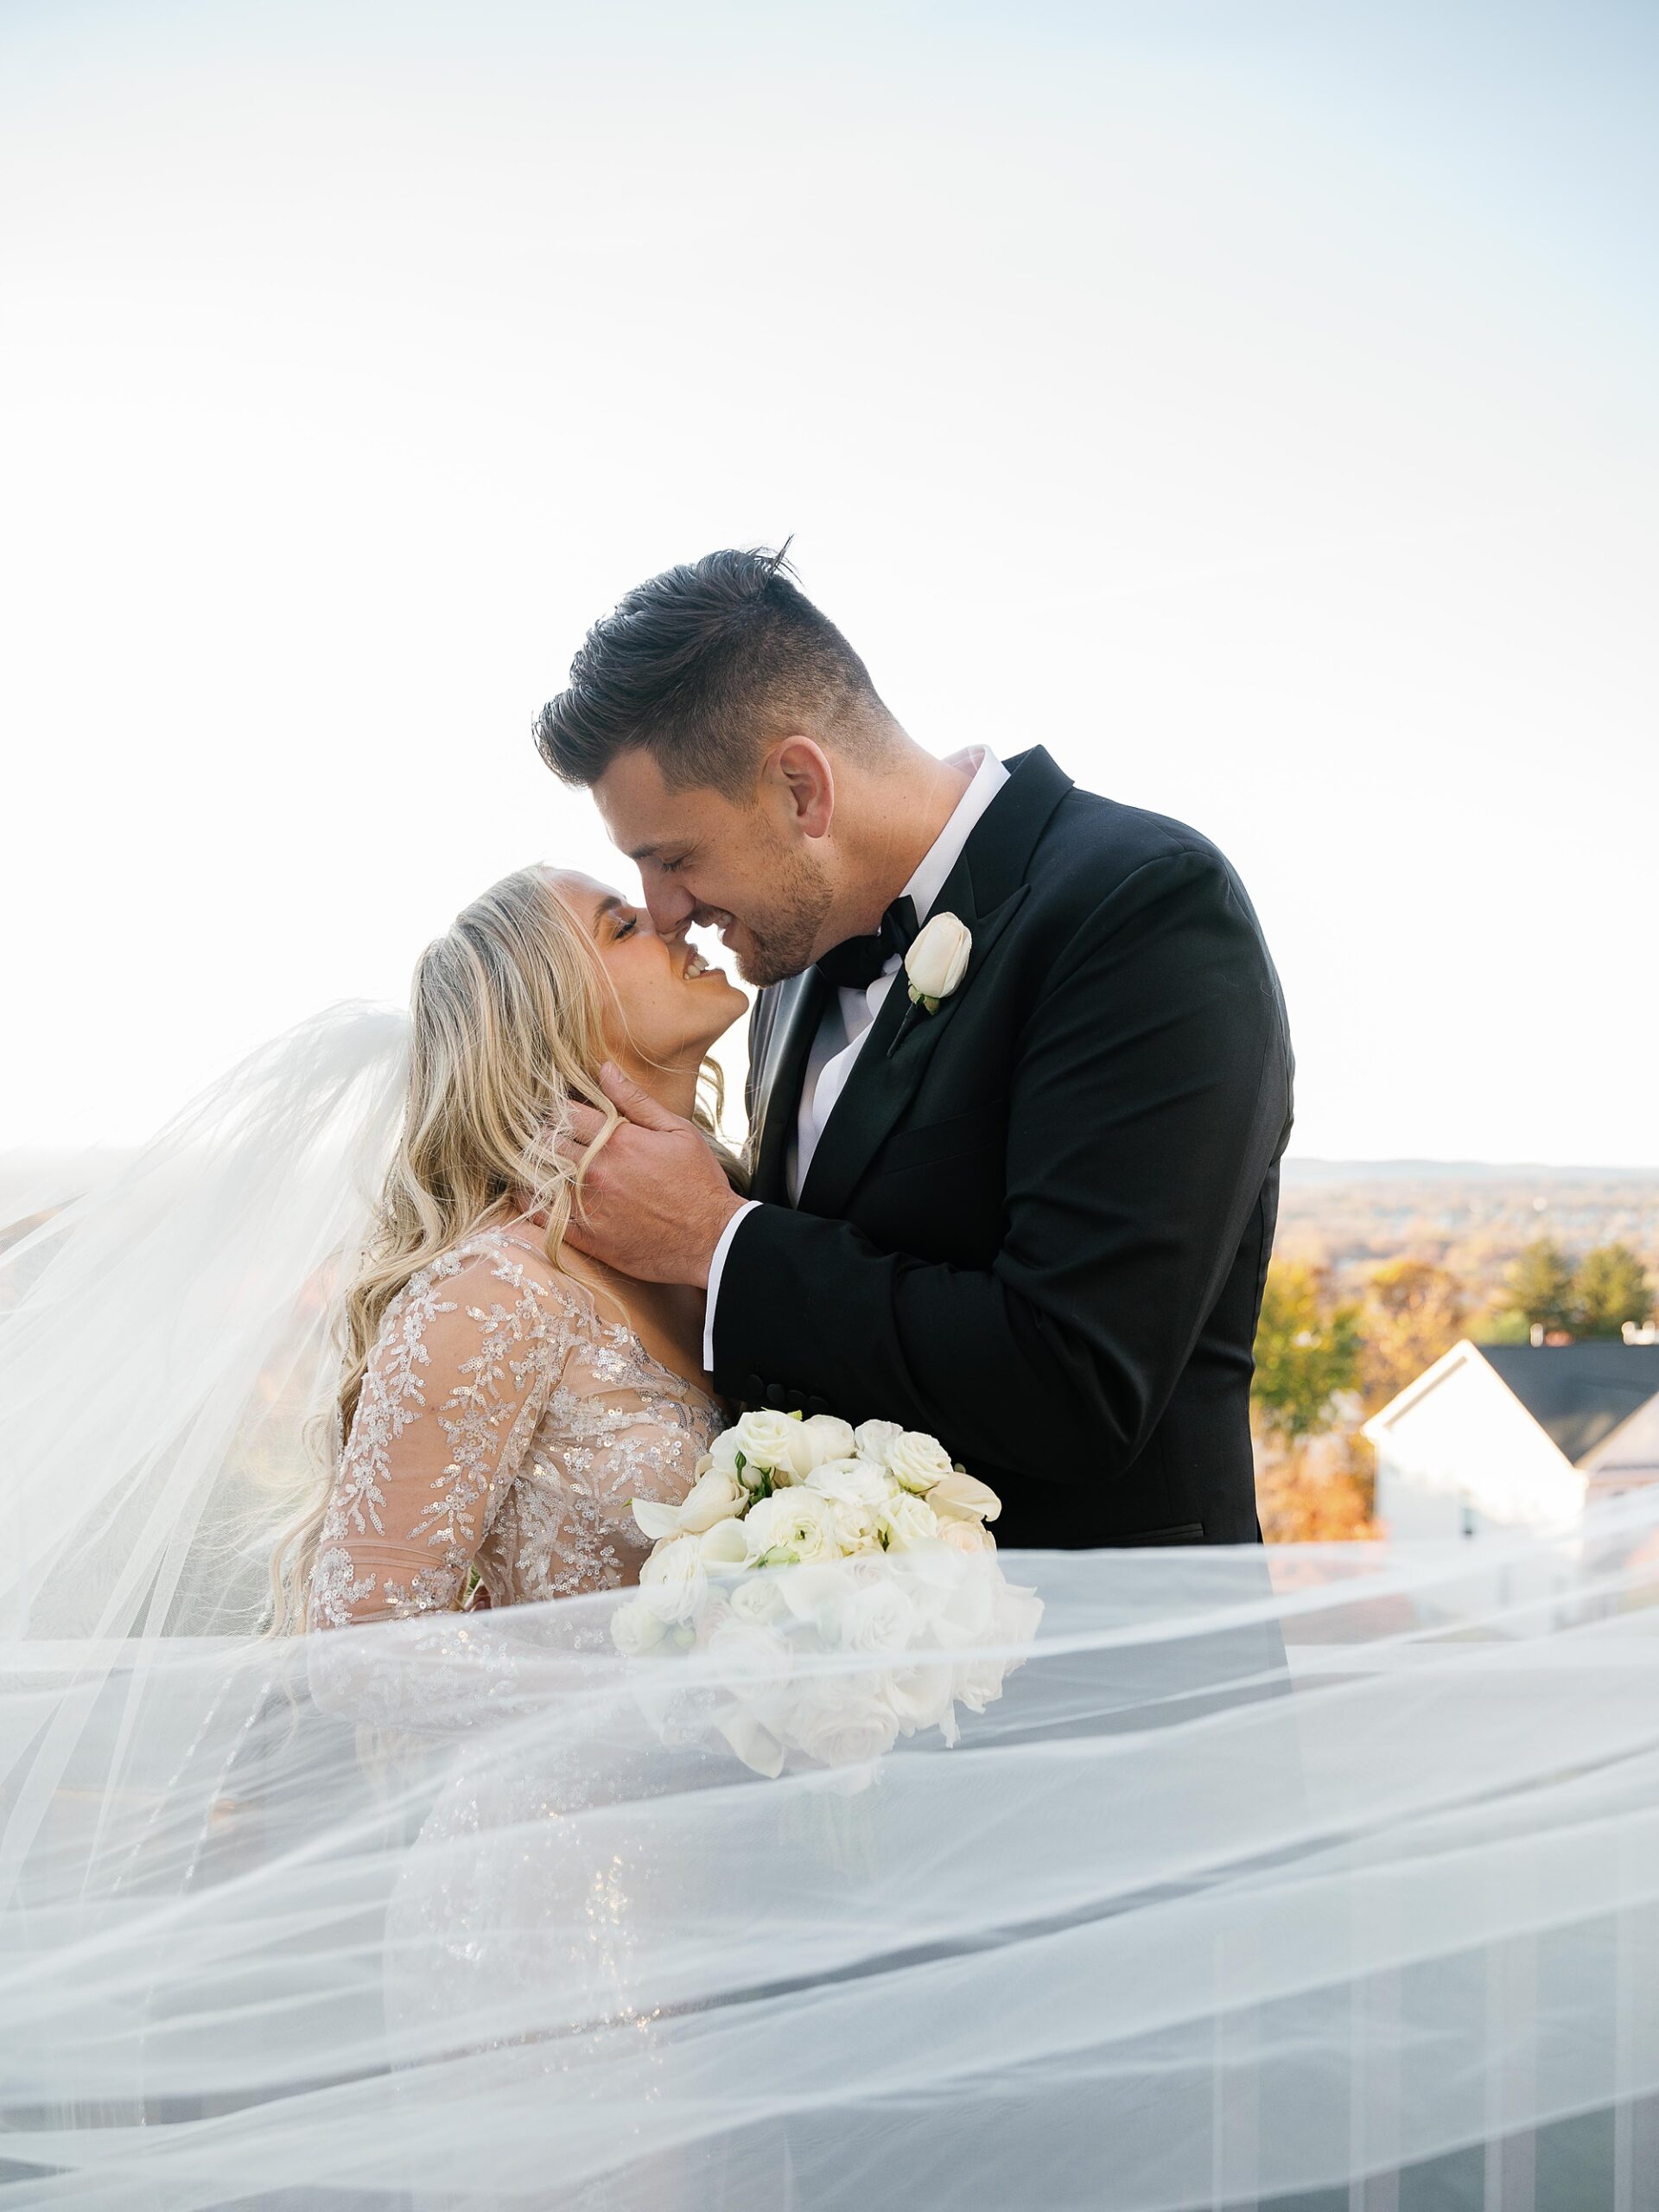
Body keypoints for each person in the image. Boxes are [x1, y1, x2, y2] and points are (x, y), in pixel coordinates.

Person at [531, 546, 1294, 1549]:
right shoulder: (786, 971)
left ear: (802, 789)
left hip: (1110, 1678)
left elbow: (1079, 1381)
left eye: (675, 858)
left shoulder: (1140, 906)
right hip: (843, 1686)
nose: (665, 910)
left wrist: (718, 1244)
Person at [270, 862, 749, 1630]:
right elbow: (360, 1646)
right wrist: (664, 1692)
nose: (673, 921)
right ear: (553, 1019)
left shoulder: (733, 1232)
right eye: (622, 927)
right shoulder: (492, 1294)